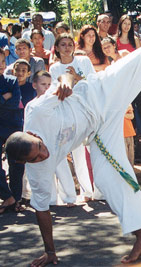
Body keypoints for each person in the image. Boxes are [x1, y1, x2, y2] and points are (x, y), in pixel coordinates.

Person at [4, 0, 141, 265]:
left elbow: (67, 80)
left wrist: (65, 79)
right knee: (108, 180)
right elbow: (41, 211)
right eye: (38, 157)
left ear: (34, 135)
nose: (45, 154)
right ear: (25, 163)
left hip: (102, 92)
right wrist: (51, 251)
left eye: (40, 147)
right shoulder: (37, 169)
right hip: (98, 130)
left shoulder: (36, 111)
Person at [50, 33, 97, 201]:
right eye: (63, 44)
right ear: (57, 48)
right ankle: (68, 196)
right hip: (66, 114)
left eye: (70, 44)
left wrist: (77, 77)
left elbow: (94, 81)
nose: (67, 47)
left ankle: (90, 192)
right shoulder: (54, 68)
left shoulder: (83, 61)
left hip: (85, 111)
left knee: (86, 153)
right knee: (68, 154)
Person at [28, 71, 77, 207]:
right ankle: (50, 199)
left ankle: (69, 198)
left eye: (49, 85)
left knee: (63, 170)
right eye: (43, 84)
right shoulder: (31, 105)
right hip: (41, 145)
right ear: (34, 85)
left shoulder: (56, 102)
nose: (46, 87)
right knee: (45, 172)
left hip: (58, 142)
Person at [0, 48, 24, 214]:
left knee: (16, 164)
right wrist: (4, 98)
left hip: (12, 126)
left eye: (3, 61)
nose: (1, 65)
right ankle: (7, 196)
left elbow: (15, 102)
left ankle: (15, 198)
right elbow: (7, 101)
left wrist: (6, 99)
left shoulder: (12, 80)